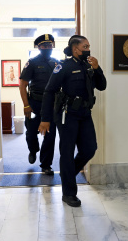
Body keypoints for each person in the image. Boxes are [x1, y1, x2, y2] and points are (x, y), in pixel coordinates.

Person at [38, 35, 107, 207]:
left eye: (88, 46)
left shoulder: (89, 66)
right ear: (75, 49)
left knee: (90, 149)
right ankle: (69, 193)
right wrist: (45, 119)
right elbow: (49, 91)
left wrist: (97, 68)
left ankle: (67, 175)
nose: (88, 49)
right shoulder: (63, 66)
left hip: (85, 114)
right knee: (67, 153)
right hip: (67, 115)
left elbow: (102, 85)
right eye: (85, 46)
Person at [19, 34, 58, 175]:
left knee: (50, 135)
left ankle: (46, 164)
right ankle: (33, 150)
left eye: (49, 45)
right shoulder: (32, 63)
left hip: (51, 105)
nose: (47, 48)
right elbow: (22, 84)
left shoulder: (56, 63)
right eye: (44, 45)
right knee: (31, 133)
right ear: (39, 47)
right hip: (35, 103)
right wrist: (26, 105)